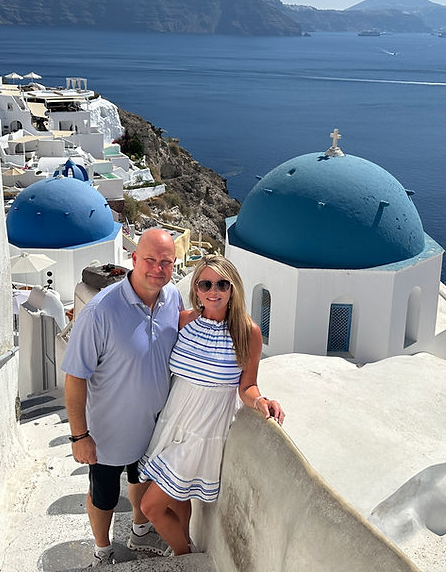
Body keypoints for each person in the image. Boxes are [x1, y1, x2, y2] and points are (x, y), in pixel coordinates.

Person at [138, 255, 284, 556]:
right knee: (178, 498)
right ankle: (185, 544)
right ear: (196, 288)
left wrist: (260, 401)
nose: (213, 290)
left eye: (221, 283)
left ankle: (183, 553)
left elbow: (246, 385)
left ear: (233, 288)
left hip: (202, 433)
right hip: (172, 421)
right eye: (205, 283)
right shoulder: (184, 321)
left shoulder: (247, 332)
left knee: (149, 506)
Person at [62, 228, 183, 566]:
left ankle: (139, 532)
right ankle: (102, 550)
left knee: (141, 479)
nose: (157, 268)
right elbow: (75, 377)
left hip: (154, 428)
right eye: (150, 260)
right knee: (104, 496)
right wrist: (79, 436)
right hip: (106, 434)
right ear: (133, 259)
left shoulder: (173, 298)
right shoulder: (100, 311)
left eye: (165, 262)